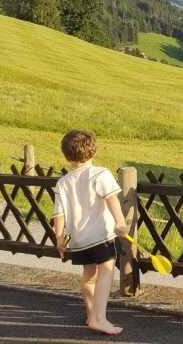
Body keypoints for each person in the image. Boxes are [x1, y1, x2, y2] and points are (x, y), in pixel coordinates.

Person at [51, 129, 127, 336]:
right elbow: (112, 200)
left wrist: (59, 237)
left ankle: (91, 314)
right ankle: (99, 318)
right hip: (102, 235)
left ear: (67, 156)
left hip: (79, 239)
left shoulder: (63, 182)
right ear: (93, 151)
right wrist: (120, 222)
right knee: (106, 272)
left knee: (89, 275)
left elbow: (59, 214)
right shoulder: (101, 174)